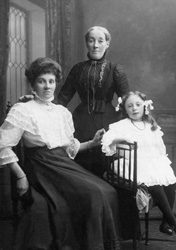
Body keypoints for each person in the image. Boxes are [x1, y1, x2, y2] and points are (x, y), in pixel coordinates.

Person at [0, 57, 122, 250]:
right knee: (94, 193)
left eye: (51, 81)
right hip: (41, 168)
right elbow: (3, 145)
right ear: (33, 84)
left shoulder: (61, 112)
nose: (47, 86)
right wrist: (20, 175)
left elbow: (68, 148)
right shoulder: (22, 109)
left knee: (107, 191)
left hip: (64, 164)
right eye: (41, 81)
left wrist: (92, 143)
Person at [56, 26, 129, 177]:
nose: (96, 45)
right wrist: (38, 103)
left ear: (107, 44)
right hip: (80, 122)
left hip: (107, 122)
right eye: (91, 40)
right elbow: (62, 99)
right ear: (87, 43)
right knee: (81, 166)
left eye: (100, 41)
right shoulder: (78, 69)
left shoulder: (115, 69)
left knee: (105, 166)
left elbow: (127, 100)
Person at [101, 91, 176, 235]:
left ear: (145, 107)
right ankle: (172, 220)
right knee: (153, 177)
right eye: (130, 106)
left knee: (168, 175)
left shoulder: (150, 125)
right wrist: (121, 139)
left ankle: (167, 221)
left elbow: (159, 150)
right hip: (129, 164)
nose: (134, 109)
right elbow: (107, 142)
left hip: (148, 164)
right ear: (125, 109)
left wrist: (159, 163)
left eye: (138, 105)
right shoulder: (120, 125)